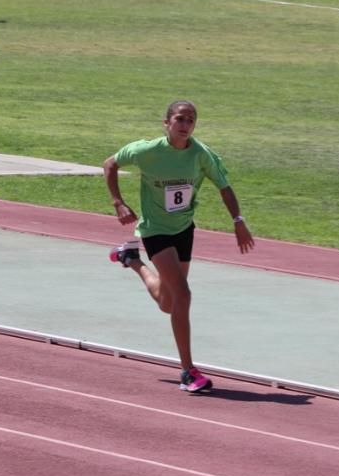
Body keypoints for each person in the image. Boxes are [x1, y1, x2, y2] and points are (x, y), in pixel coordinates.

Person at [103, 100, 256, 390]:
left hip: (183, 229)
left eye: (191, 121)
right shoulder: (146, 151)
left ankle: (131, 259)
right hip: (155, 229)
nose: (185, 126)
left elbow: (224, 186)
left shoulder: (201, 154)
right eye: (180, 120)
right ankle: (188, 372)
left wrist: (238, 220)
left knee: (168, 302)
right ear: (167, 123)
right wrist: (118, 202)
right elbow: (109, 164)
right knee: (183, 295)